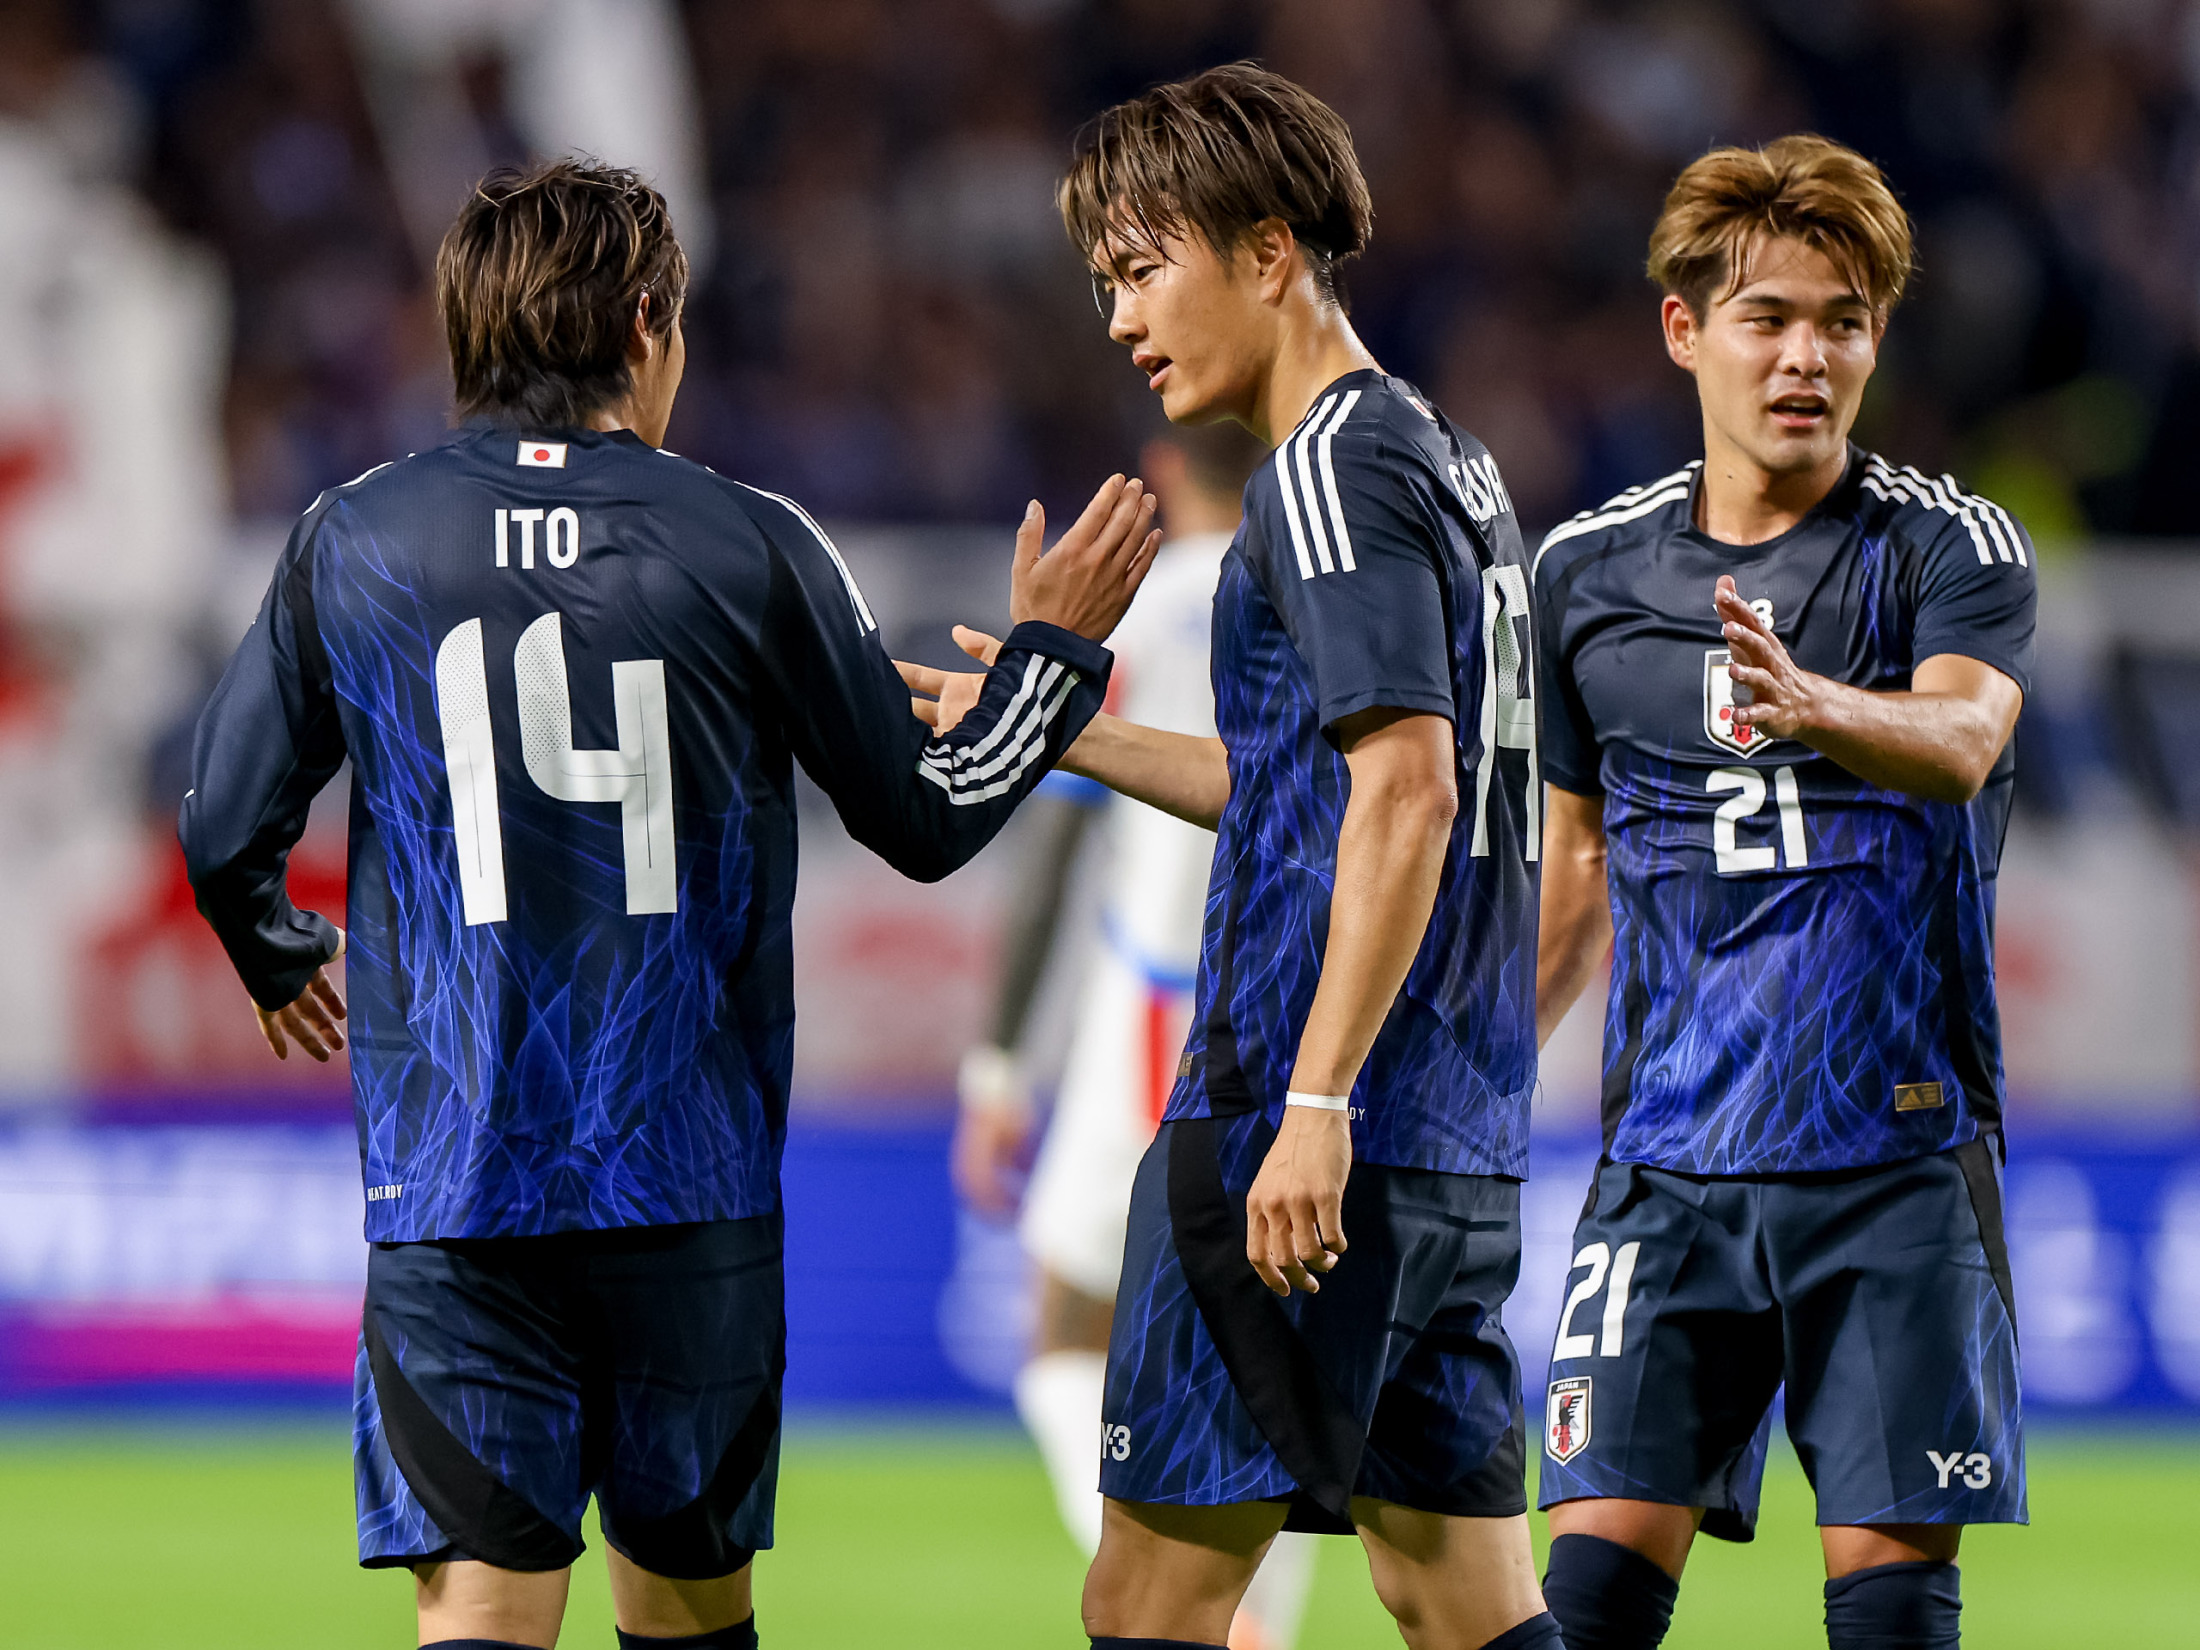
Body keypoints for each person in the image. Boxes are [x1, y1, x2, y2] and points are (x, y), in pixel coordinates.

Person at [180, 159, 1157, 1650]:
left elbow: (220, 826)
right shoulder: (748, 538)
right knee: (692, 1621)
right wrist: (1048, 656)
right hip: (686, 1190)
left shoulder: (354, 538)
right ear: (648, 323)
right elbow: (929, 817)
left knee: (481, 1617)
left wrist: (272, 945)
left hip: (456, 1190)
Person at [906, 65, 1558, 1650]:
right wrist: (1070, 730)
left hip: (1299, 1134)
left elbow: (1407, 797)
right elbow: (1316, 788)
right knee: (1458, 1594)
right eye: (1103, 285)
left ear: (1269, 250)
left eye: (1143, 270)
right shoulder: (1445, 465)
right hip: (1446, 1146)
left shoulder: (1324, 474)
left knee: (1147, 1602)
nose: (1121, 319)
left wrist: (1316, 1102)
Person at [1530, 136, 2033, 1650]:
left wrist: (1819, 706)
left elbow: (1964, 738)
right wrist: (1472, 1085)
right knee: (1587, 1603)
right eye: (1769, 317)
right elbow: (1575, 865)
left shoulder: (1946, 547)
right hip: (1666, 1166)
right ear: (1686, 332)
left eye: (1845, 319)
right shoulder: (1584, 575)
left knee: (1887, 1619)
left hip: (1890, 1157)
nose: (1808, 355)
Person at [952, 420, 1319, 1650]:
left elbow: (1054, 844)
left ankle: (1232, 1624)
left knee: (1064, 1329)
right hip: (1314, 1022)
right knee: (1279, 1342)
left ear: (1163, 482)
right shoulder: (1327, 598)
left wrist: (1003, 1066)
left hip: (1156, 1012)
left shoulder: (1147, 610)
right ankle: (1259, 1615)